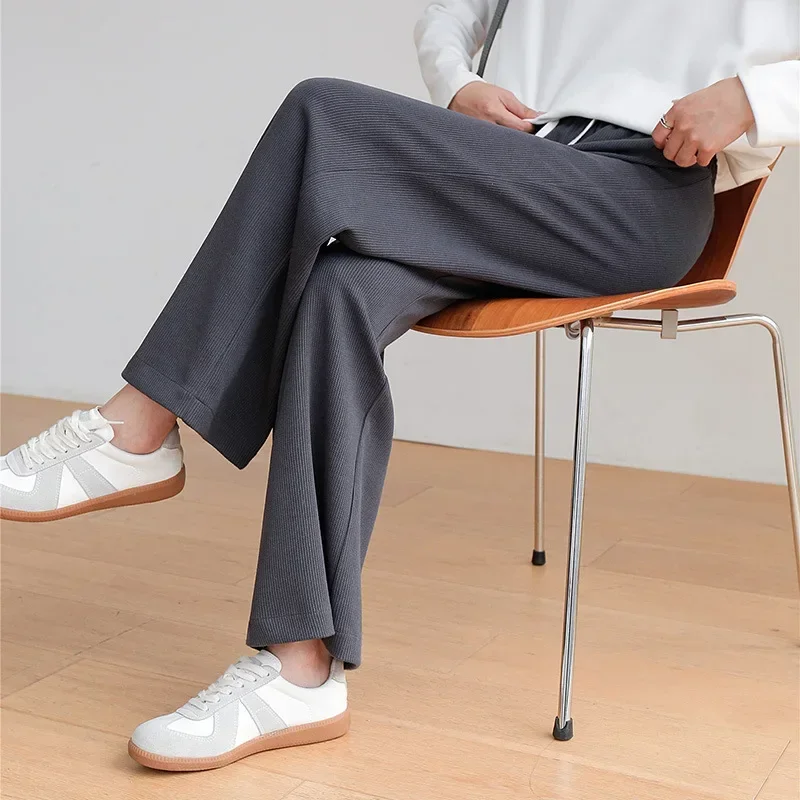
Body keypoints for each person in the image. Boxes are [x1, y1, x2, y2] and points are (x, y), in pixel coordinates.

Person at [2, 0, 798, 773]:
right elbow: (452, 13)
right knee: (337, 287)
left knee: (321, 112)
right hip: (508, 166)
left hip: (635, 192)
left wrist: (751, 98)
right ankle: (300, 668)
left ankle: (140, 425)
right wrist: (457, 82)